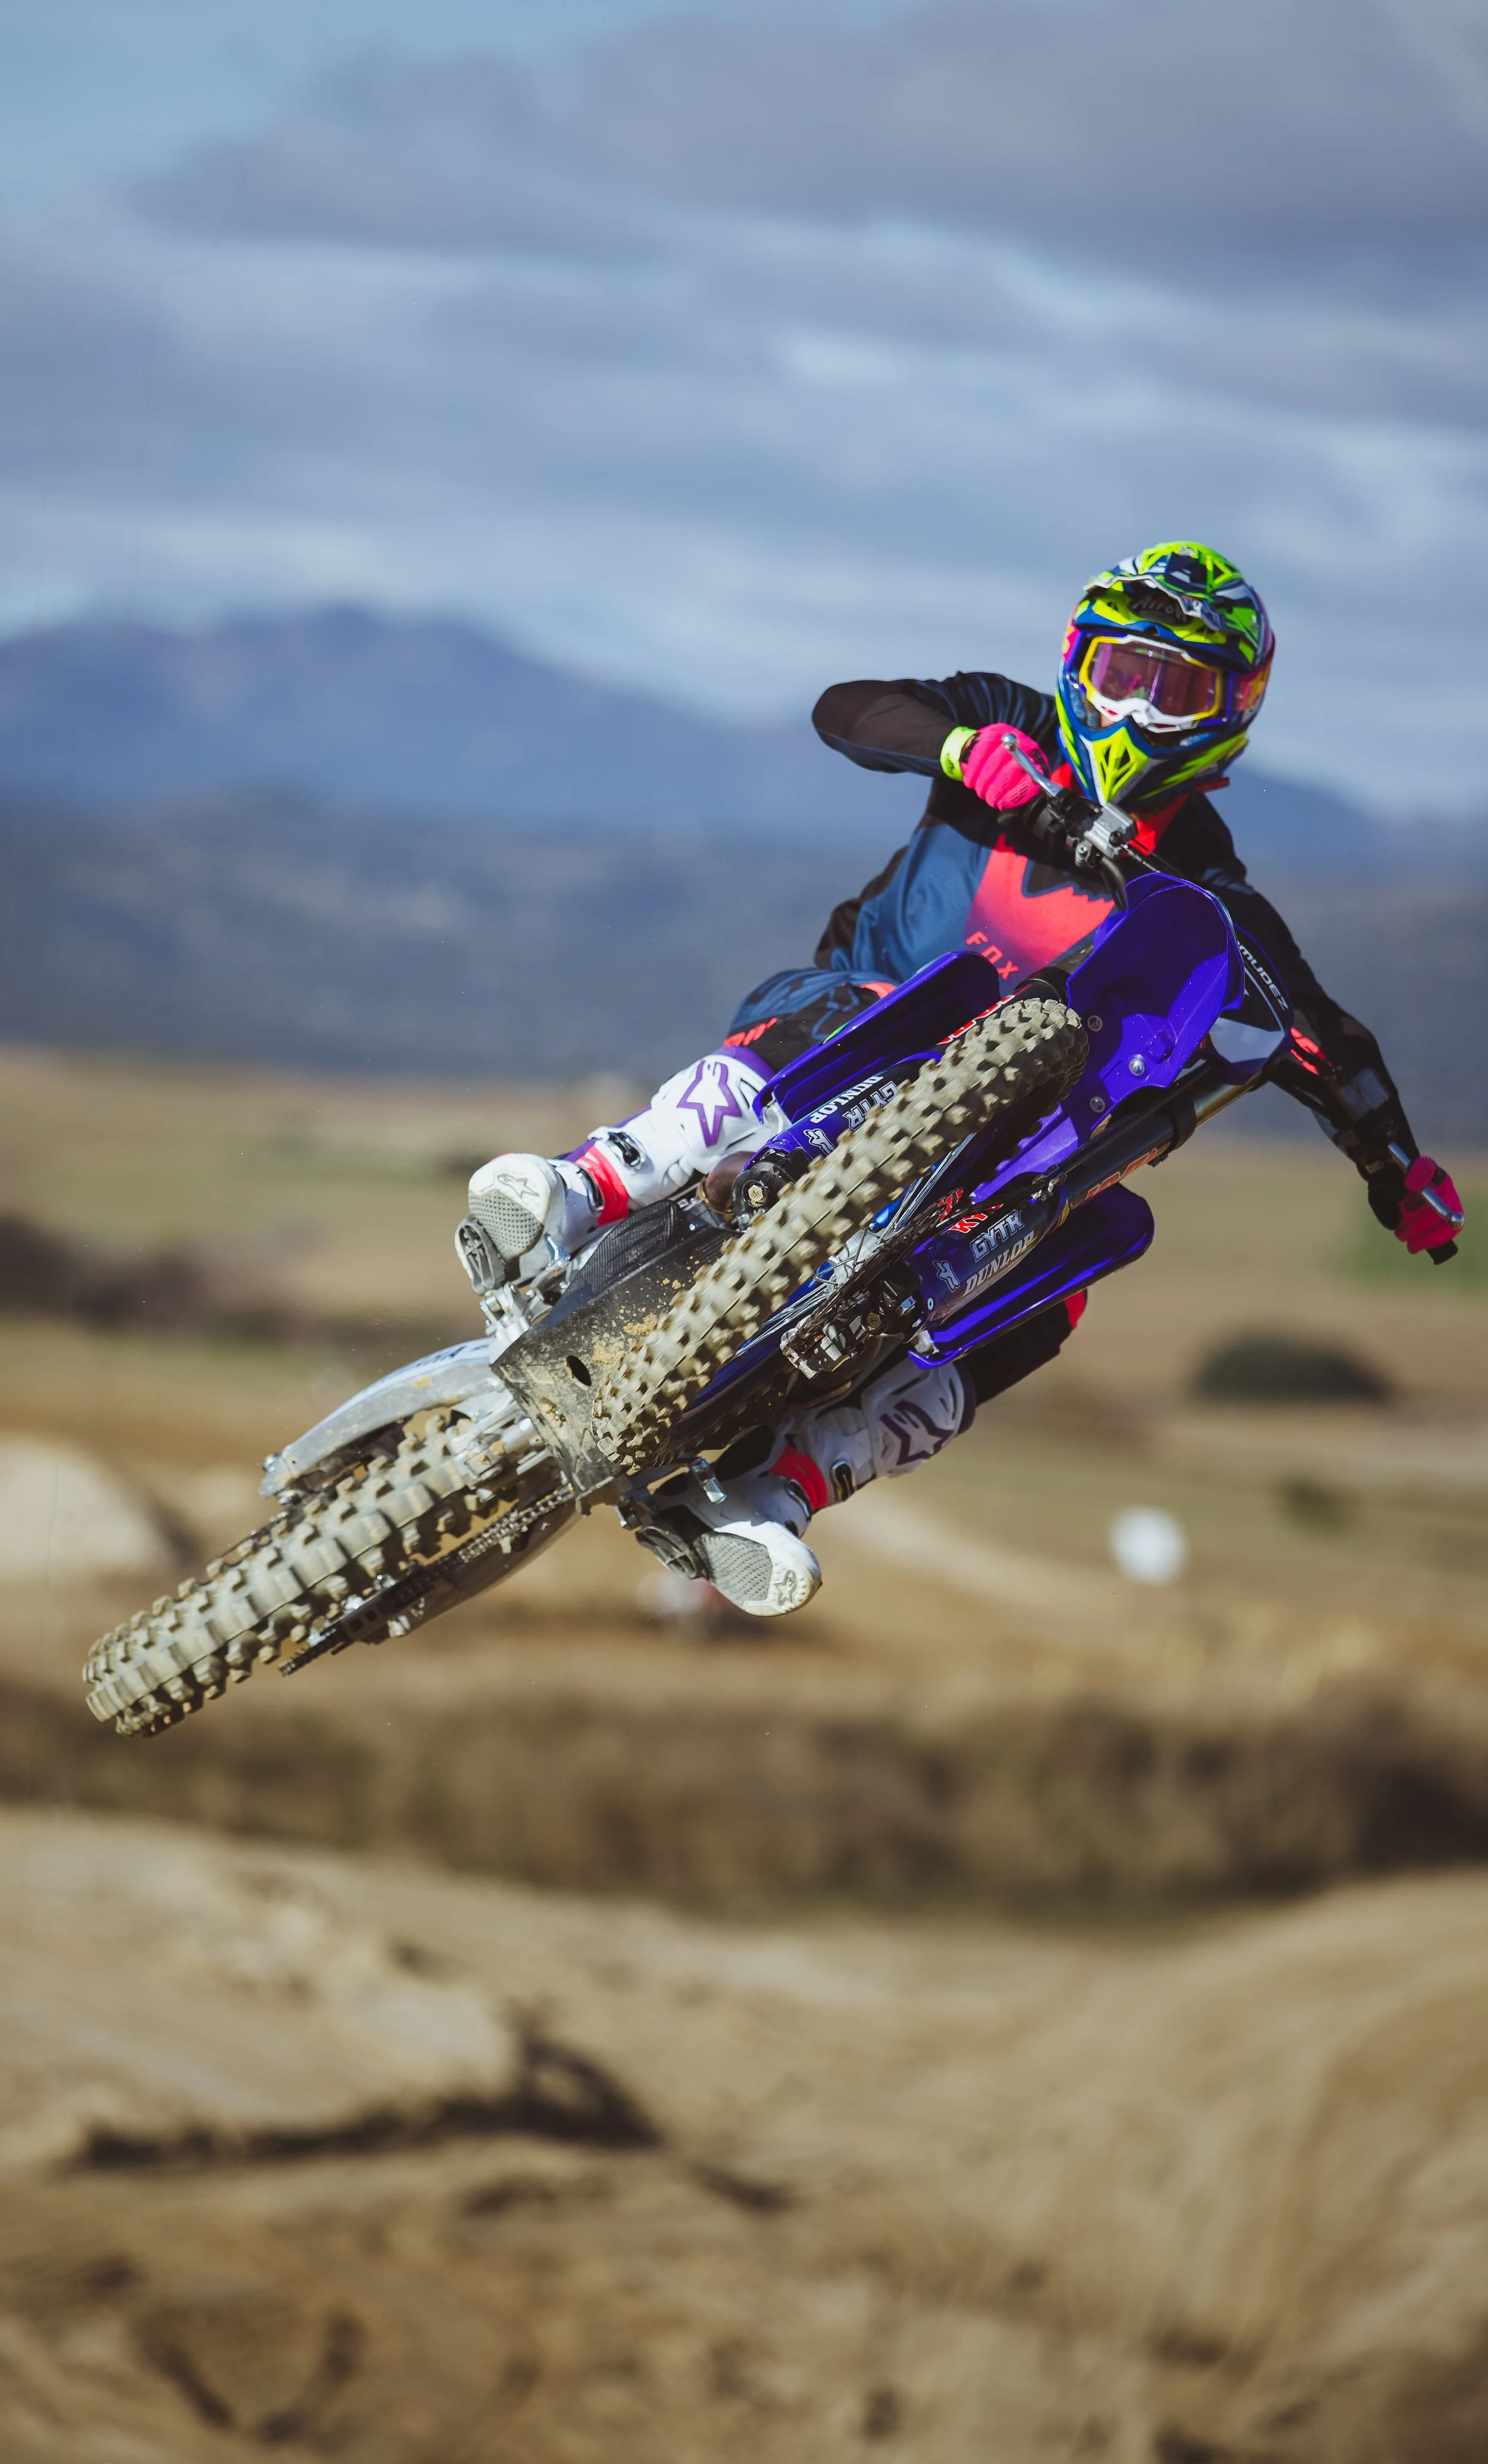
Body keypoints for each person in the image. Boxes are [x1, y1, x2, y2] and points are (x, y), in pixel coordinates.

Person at [465, 542, 1463, 1616]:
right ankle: (586, 1185)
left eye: (1177, 690)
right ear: (1081, 660)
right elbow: (847, 708)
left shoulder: (1211, 900)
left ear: (1229, 713)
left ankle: (790, 1487)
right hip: (848, 1015)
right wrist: (957, 746)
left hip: (989, 1147)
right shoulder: (1016, 723)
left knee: (1076, 1262)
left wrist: (1398, 1173)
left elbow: (1323, 1038)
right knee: (840, 1013)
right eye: (1123, 671)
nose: (1137, 708)